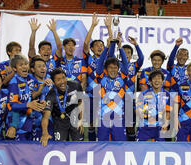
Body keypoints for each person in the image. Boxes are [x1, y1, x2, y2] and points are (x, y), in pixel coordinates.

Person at [94, 36, 133, 141]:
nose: (113, 70)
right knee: (102, 146)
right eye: (110, 67)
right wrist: (106, 47)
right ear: (106, 69)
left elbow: (125, 63)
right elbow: (100, 62)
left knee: (120, 146)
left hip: (118, 118)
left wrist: (120, 47)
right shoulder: (101, 78)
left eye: (115, 67)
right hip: (103, 118)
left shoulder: (122, 78)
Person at [6, 54, 46, 141]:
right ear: (14, 69)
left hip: (30, 120)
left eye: (26, 64)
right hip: (17, 122)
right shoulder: (14, 83)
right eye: (21, 65)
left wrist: (42, 100)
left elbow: (38, 92)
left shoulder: (31, 78)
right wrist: (28, 105)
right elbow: (13, 105)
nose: (24, 66)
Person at [83, 13, 110, 141]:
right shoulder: (88, 58)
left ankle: (104, 141)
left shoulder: (107, 59)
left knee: (104, 120)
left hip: (105, 95)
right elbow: (85, 43)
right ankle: (93, 144)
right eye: (97, 45)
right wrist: (93, 26)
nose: (100, 47)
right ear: (92, 49)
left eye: (102, 45)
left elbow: (111, 43)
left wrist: (109, 27)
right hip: (91, 95)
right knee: (92, 122)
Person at [41, 68, 84, 144]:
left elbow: (81, 102)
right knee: (60, 146)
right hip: (59, 121)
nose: (62, 82)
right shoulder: (50, 96)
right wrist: (45, 133)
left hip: (74, 117)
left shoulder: (76, 85)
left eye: (63, 78)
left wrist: (81, 119)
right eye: (58, 80)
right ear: (53, 82)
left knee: (79, 144)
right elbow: (46, 116)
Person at [48, 19, 88, 91]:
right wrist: (54, 31)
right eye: (69, 45)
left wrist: (80, 95)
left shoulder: (80, 61)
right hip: (62, 92)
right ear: (64, 47)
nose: (71, 47)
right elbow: (59, 47)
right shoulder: (59, 61)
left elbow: (84, 79)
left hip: (76, 93)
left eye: (73, 45)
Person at [136, 70, 172, 141]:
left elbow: (168, 112)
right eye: (154, 78)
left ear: (162, 81)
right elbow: (137, 110)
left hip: (159, 128)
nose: (156, 80)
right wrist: (143, 113)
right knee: (140, 149)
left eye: (159, 78)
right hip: (144, 127)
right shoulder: (143, 94)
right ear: (150, 81)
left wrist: (165, 124)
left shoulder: (168, 95)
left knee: (160, 150)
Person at [29, 55, 54, 141]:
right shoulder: (29, 81)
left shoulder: (50, 80)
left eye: (44, 66)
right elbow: (31, 97)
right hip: (34, 122)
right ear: (32, 69)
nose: (43, 68)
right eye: (39, 66)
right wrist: (40, 90)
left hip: (50, 120)